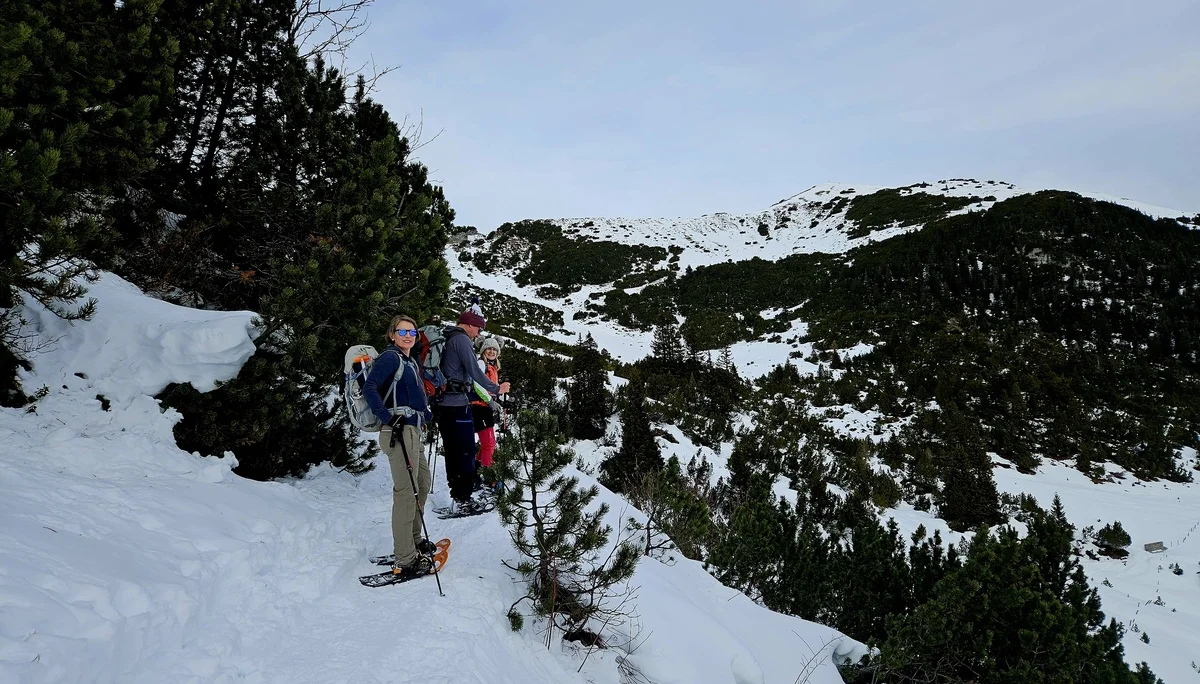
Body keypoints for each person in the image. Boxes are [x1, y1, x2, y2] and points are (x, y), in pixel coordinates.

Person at [363, 314, 435, 577]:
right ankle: (405, 558)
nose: (408, 336)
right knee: (406, 492)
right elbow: (370, 388)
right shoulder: (390, 357)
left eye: (412, 332)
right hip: (398, 431)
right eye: (402, 331)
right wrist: (387, 417)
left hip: (412, 430)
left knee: (422, 484)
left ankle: (414, 540)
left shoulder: (409, 361)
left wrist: (425, 414)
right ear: (392, 334)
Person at [435, 302, 510, 513]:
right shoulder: (461, 339)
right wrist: (497, 388)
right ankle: (464, 499)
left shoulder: (449, 337)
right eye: (478, 328)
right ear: (469, 324)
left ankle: (458, 497)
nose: (479, 333)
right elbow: (475, 374)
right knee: (465, 451)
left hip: (444, 404)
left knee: (453, 451)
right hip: (457, 405)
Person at [471, 336, 502, 481]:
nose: (492, 351)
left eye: (494, 349)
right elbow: (477, 385)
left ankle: (477, 470)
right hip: (479, 408)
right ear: (483, 350)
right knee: (489, 443)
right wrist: (490, 401)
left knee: (487, 443)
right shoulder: (481, 363)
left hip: (485, 408)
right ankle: (488, 477)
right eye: (489, 348)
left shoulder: (492, 367)